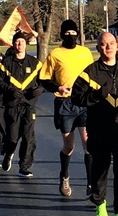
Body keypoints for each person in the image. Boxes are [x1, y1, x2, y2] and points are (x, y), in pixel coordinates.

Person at [71, 32, 118, 216]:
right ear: (98, 48)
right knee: (100, 168)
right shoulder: (89, 72)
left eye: (111, 43)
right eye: (104, 44)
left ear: (117, 46)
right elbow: (76, 98)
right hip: (98, 128)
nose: (108, 47)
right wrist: (97, 96)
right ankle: (100, 203)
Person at [40, 20, 95, 200]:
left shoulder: (85, 52)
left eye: (73, 33)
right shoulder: (55, 54)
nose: (71, 36)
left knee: (88, 144)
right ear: (62, 35)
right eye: (67, 33)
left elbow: (92, 75)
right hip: (65, 103)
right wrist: (57, 87)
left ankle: (90, 183)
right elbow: (44, 78)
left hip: (83, 103)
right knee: (69, 146)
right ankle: (64, 176)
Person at [1, 31, 44, 178]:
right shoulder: (6, 63)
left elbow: (44, 80)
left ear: (26, 44)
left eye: (22, 42)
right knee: (12, 137)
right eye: (17, 42)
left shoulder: (35, 63)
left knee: (28, 136)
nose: (20, 45)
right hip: (12, 105)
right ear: (13, 44)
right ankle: (8, 153)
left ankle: (24, 166)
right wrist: (9, 90)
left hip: (29, 105)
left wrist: (40, 89)